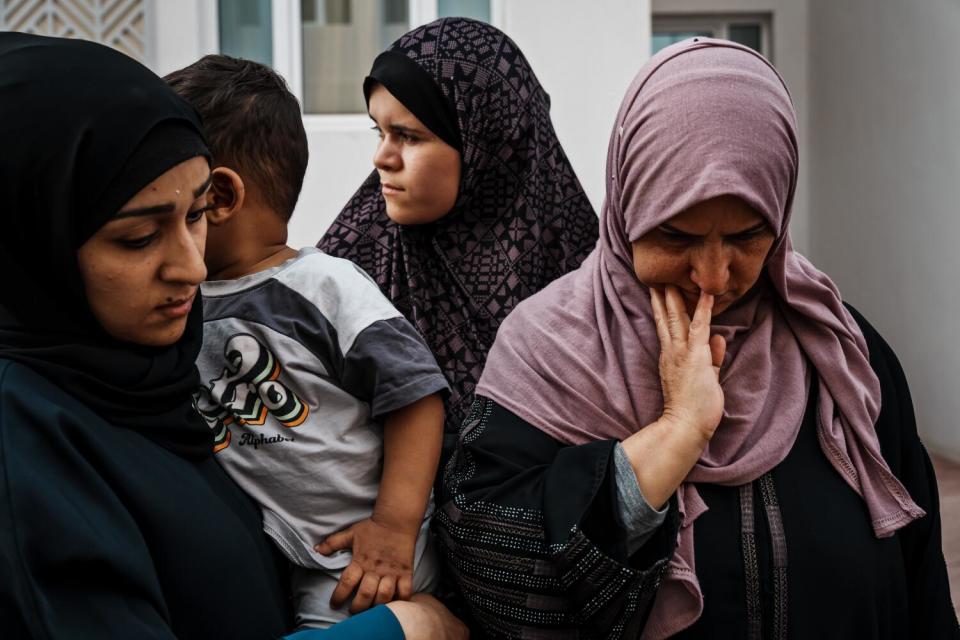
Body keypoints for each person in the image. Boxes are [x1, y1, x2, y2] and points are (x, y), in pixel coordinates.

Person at [436, 38, 960, 639]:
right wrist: (676, 434)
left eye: (747, 236)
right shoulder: (546, 351)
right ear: (628, 208)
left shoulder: (841, 349)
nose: (714, 277)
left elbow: (919, 578)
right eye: (678, 236)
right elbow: (487, 568)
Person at [0, 32, 466, 640]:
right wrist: (401, 630)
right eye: (138, 238)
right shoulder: (29, 441)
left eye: (196, 216)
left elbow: (412, 393)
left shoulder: (146, 373)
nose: (192, 269)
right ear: (35, 239)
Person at [165, 55, 450, 629]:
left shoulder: (324, 287)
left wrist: (394, 527)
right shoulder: (179, 298)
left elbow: (417, 397)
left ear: (218, 196)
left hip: (362, 553)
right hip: (290, 549)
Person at [318, 18, 600, 448]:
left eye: (409, 137)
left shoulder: (586, 284)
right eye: (380, 131)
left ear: (485, 140)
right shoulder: (346, 274)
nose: (382, 157)